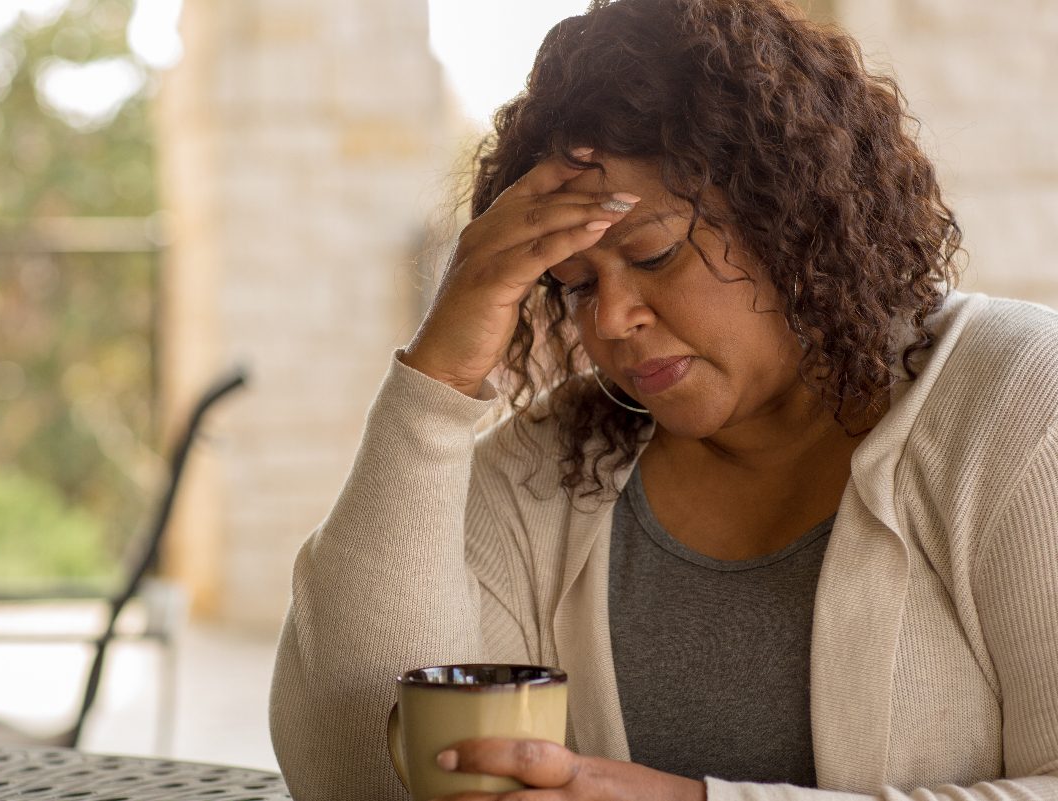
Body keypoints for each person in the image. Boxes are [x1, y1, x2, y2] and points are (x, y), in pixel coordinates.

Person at [270, 0, 1058, 798]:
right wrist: (436, 382)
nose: (610, 320)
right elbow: (357, 776)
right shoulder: (547, 469)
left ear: (789, 213)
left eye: (654, 253)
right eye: (575, 284)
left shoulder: (1018, 405)